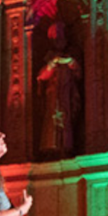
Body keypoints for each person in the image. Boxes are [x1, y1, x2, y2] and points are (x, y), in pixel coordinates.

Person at [36, 22, 81, 157]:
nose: (59, 41)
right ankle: (52, 147)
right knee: (52, 120)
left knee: (66, 119)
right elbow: (41, 76)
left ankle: (66, 147)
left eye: (61, 38)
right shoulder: (50, 57)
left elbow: (79, 73)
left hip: (67, 93)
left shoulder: (70, 55)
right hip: (53, 94)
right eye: (56, 39)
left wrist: (71, 62)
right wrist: (52, 64)